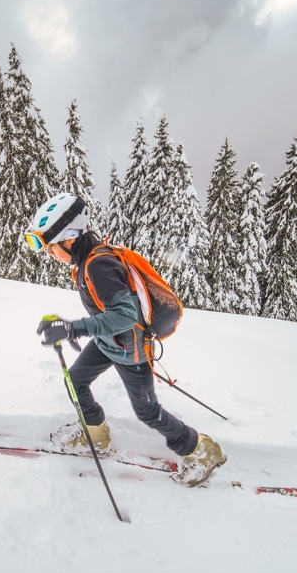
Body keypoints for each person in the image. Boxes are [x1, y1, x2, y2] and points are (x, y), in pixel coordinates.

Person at [26, 192, 226, 487]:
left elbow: (125, 316)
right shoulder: (86, 261)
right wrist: (71, 326)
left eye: (51, 247)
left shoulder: (98, 265)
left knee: (147, 411)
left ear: (69, 239)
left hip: (130, 350)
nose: (50, 253)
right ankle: (95, 435)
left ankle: (200, 450)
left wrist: (73, 329)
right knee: (75, 380)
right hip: (109, 343)